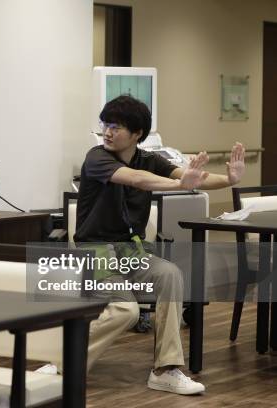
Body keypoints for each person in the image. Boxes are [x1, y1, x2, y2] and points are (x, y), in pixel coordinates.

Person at [74, 95, 245, 394]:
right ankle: (63, 360)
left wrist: (228, 179)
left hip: (130, 251)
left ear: (137, 133)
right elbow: (138, 180)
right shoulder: (96, 157)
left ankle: (165, 369)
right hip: (95, 251)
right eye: (105, 124)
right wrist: (182, 185)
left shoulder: (150, 159)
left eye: (116, 126)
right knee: (126, 310)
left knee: (169, 274)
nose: (108, 131)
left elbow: (195, 177)